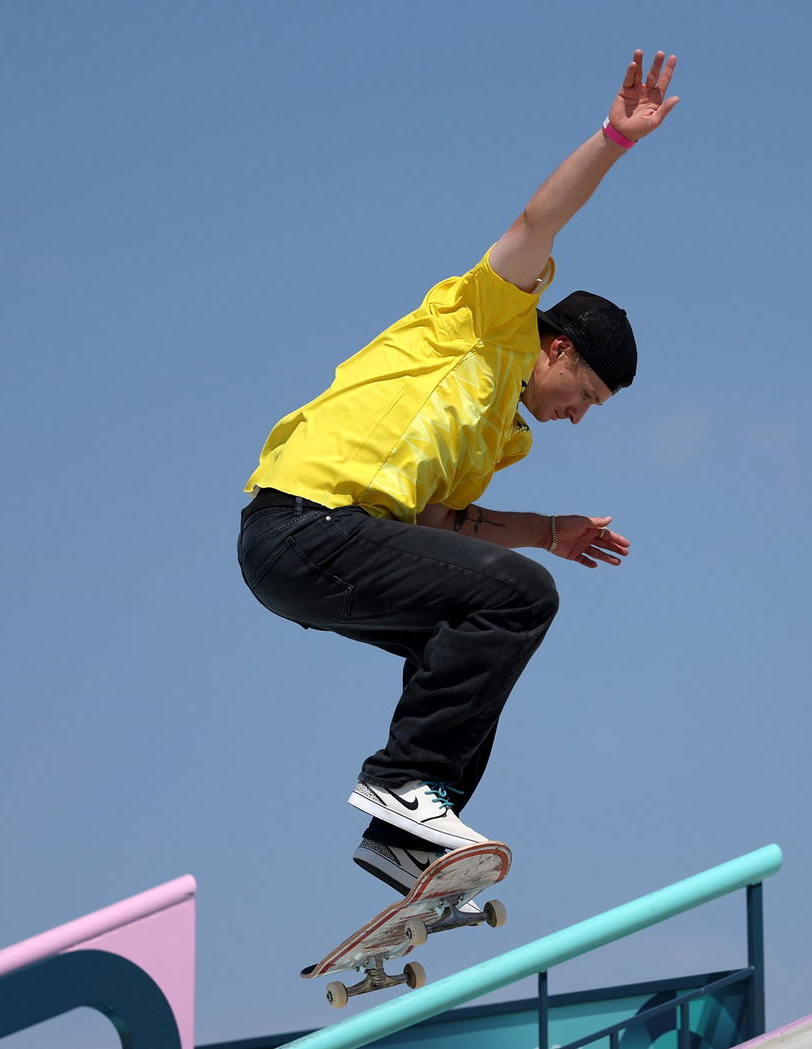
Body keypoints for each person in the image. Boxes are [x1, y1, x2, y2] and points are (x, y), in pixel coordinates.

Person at [238, 50, 680, 896]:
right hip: (303, 519)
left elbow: (441, 527)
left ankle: (400, 837)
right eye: (581, 392)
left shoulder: (495, 439)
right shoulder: (488, 318)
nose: (576, 415)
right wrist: (613, 140)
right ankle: (405, 784)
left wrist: (550, 532)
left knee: (475, 630)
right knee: (519, 596)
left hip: (317, 554)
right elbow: (537, 218)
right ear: (557, 346)